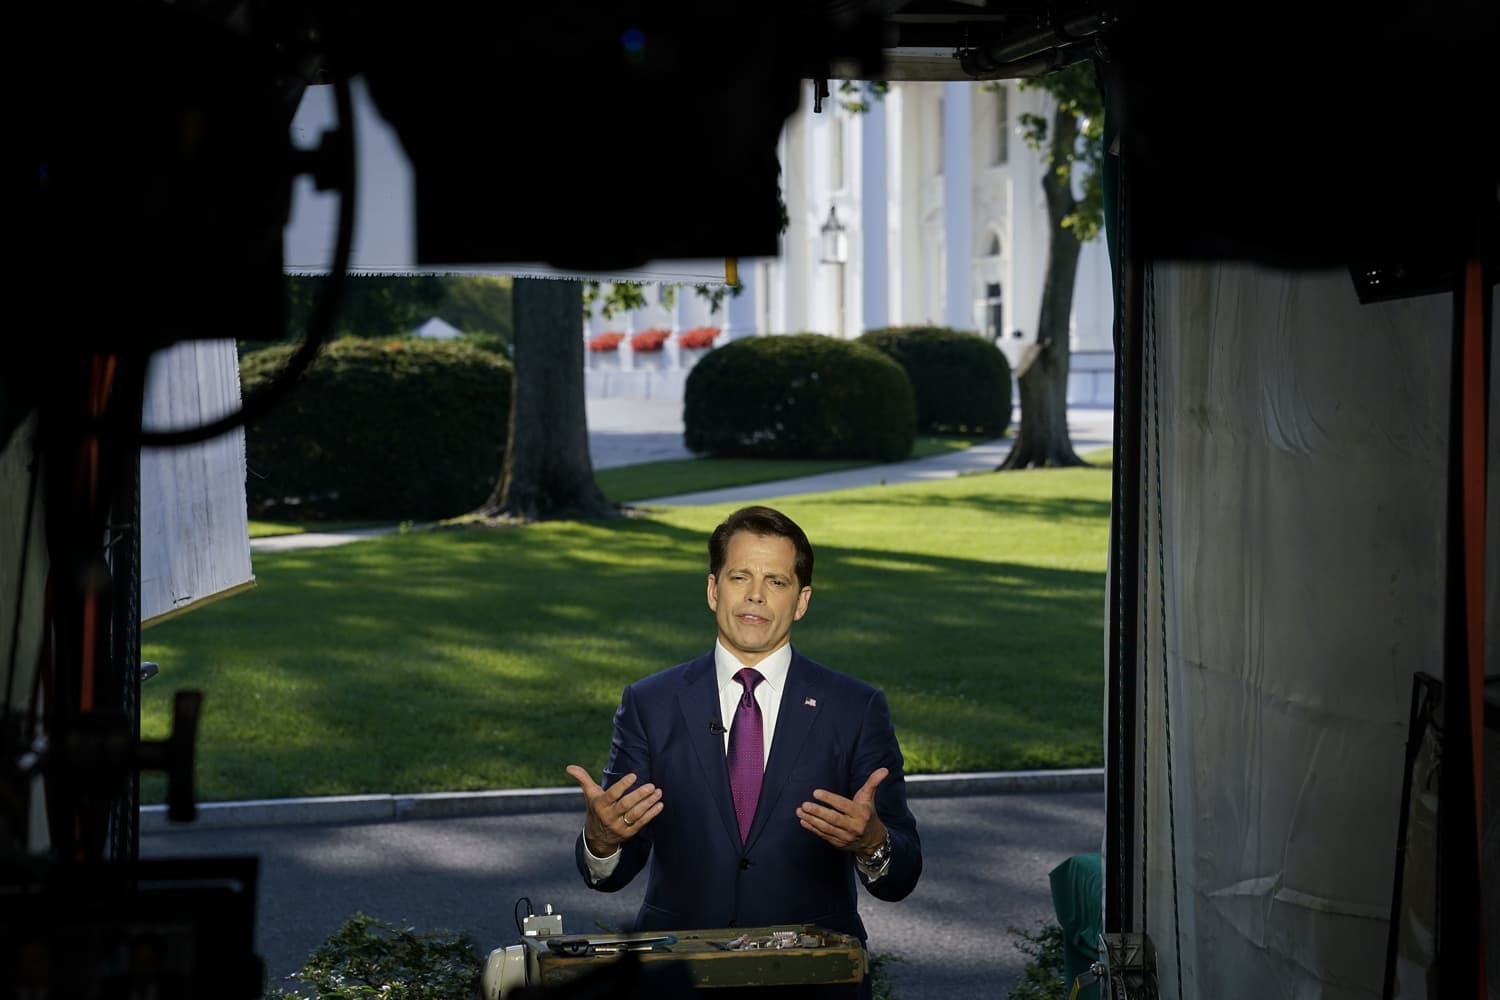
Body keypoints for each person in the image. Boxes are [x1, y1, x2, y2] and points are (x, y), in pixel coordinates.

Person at [566, 505, 921, 998]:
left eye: (776, 581)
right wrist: (602, 842)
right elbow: (609, 873)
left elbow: (901, 875)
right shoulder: (649, 703)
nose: (756, 594)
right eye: (740, 577)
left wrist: (873, 841)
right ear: (714, 590)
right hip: (678, 979)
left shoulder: (855, 708)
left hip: (815, 981)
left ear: (802, 601)